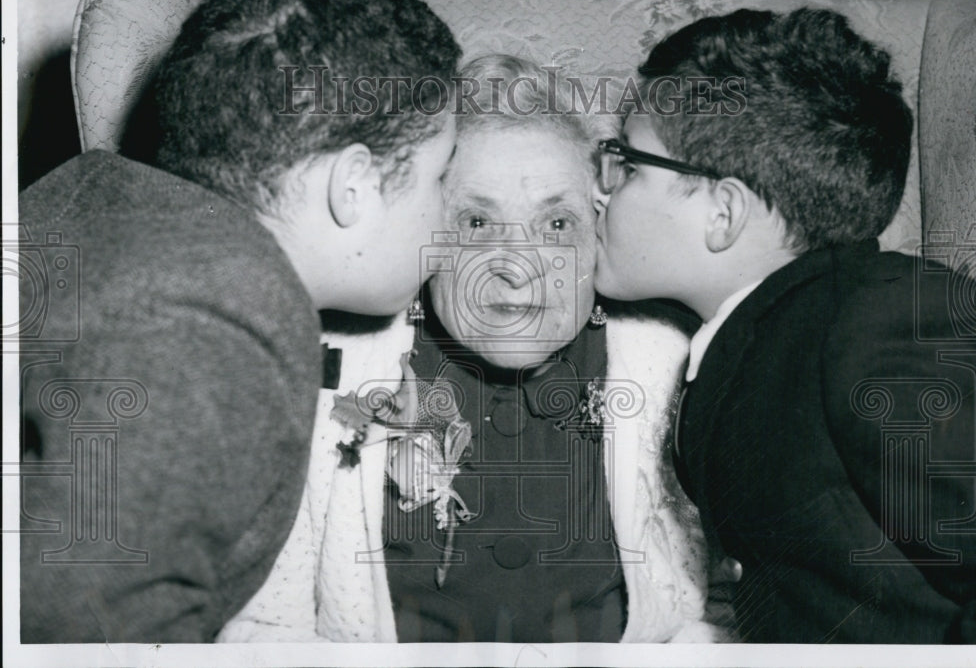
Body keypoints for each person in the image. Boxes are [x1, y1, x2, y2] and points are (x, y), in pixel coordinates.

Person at [218, 55, 732, 643]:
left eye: (557, 224)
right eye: (477, 224)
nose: (516, 268)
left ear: (599, 232)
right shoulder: (324, 369)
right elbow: (260, 623)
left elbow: (733, 607)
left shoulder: (676, 364)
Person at [19, 0, 460, 642]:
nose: (449, 210)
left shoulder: (103, 193)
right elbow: (85, 630)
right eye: (441, 175)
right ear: (357, 187)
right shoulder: (218, 323)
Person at [592, 7, 976, 643]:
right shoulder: (752, 340)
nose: (600, 191)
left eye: (629, 165)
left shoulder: (883, 317)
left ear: (722, 213)